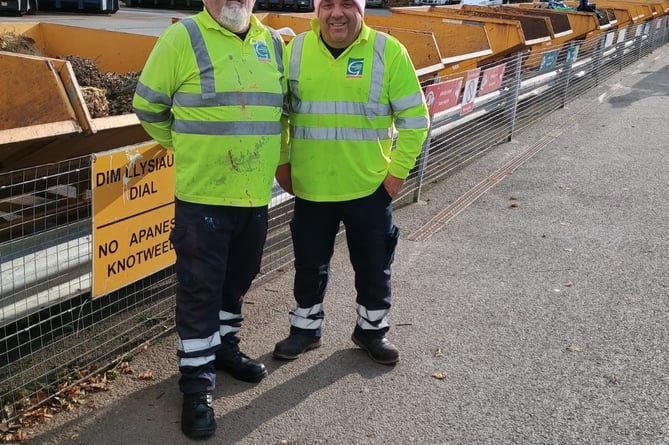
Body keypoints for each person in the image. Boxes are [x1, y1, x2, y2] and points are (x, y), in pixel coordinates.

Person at [132, 0, 287, 439]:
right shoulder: (182, 38)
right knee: (200, 291)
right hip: (202, 199)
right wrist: (184, 144)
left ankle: (224, 350)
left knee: (237, 282)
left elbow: (280, 114)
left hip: (254, 196)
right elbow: (147, 106)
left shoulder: (273, 43)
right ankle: (197, 386)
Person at [273, 0, 429, 366]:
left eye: (346, 3)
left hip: (370, 187)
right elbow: (277, 115)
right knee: (310, 264)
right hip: (311, 187)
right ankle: (306, 329)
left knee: (374, 264)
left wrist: (396, 175)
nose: (336, 13)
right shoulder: (294, 51)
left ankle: (372, 330)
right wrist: (282, 163)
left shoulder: (388, 52)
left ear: (361, 9)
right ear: (317, 10)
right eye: (327, 4)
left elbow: (415, 119)